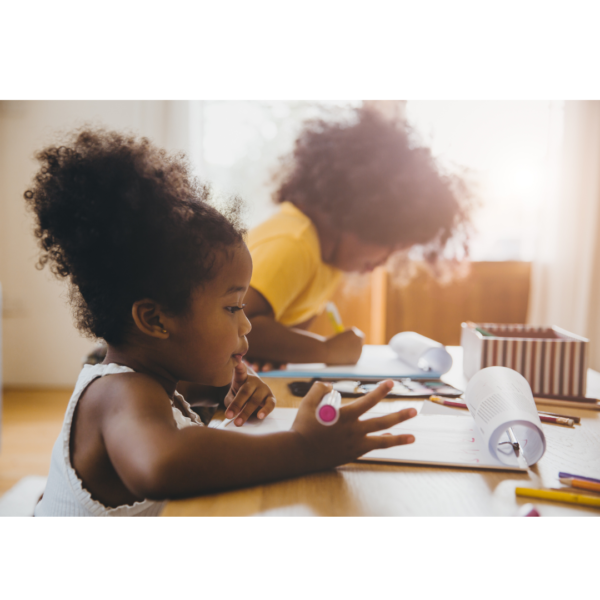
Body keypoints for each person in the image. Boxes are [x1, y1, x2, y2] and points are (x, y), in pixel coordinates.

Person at [27, 128, 416, 517]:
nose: (247, 325)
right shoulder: (120, 394)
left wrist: (219, 397)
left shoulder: (148, 386)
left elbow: (172, 433)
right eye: (233, 308)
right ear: (154, 319)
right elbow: (162, 464)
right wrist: (304, 447)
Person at [245, 108, 471, 370]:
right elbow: (239, 326)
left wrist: (272, 352)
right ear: (361, 215)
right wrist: (327, 350)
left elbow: (273, 339)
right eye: (388, 246)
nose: (384, 262)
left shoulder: (327, 261)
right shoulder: (293, 244)